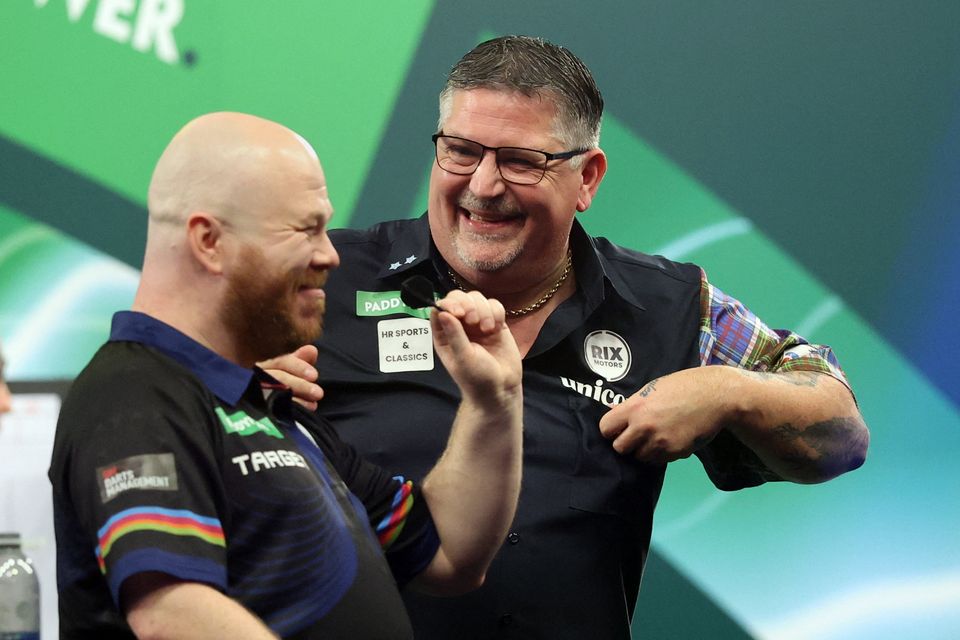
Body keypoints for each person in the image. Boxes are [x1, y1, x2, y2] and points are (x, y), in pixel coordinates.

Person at [291, 35, 870, 639]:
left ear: (587, 176)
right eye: (461, 151)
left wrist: (726, 389)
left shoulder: (668, 304)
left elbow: (841, 432)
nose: (483, 186)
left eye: (520, 161)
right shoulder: (322, 276)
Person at [48, 112, 523, 639]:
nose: (331, 254)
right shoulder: (133, 393)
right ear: (209, 241)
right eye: (306, 229)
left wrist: (493, 402)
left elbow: (451, 556)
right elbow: (173, 616)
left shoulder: (275, 412)